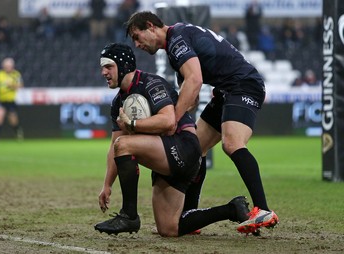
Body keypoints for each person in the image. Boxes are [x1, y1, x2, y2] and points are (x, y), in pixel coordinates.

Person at [125, 11, 279, 234]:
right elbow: (192, 97)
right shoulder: (176, 44)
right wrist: (173, 120)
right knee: (195, 147)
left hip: (243, 86)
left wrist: (171, 121)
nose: (137, 45)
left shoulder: (176, 40)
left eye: (137, 37)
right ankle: (190, 215)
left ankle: (263, 209)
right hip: (226, 90)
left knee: (232, 143)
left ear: (151, 26)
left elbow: (195, 80)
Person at [94, 43, 250, 237]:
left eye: (108, 66)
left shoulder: (151, 84)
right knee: (169, 228)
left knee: (125, 144)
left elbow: (168, 121)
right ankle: (231, 209)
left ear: (123, 65)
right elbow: (113, 147)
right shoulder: (118, 102)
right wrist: (107, 185)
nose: (103, 72)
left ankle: (129, 215)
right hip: (164, 157)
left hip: (183, 147)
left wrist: (132, 125)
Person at [0, 57, 24, 141]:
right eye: (6, 66)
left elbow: (20, 86)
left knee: (13, 120)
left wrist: (11, 86)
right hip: (1, 100)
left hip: (11, 100)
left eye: (9, 66)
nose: (7, 68)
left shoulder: (16, 74)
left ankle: (17, 132)